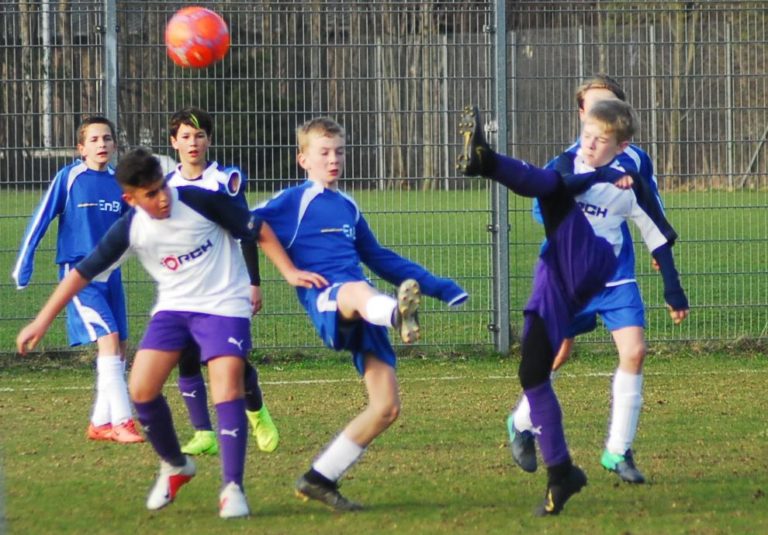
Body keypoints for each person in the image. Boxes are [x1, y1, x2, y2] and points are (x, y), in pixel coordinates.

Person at [16, 148, 327, 518]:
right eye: (150, 194)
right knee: (141, 389)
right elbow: (81, 273)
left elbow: (257, 230)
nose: (162, 197)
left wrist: (290, 273)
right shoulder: (131, 228)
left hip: (224, 303)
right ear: (129, 199)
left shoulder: (200, 200)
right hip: (174, 309)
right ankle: (176, 465)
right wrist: (42, 320)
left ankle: (232, 488)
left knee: (226, 386)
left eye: (162, 187)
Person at [253, 117, 468, 512]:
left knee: (386, 408)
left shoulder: (348, 206)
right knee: (355, 289)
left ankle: (319, 478)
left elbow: (380, 257)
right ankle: (397, 315)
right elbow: (249, 224)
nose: (333, 159)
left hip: (365, 307)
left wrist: (439, 286)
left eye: (339, 152)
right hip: (328, 301)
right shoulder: (294, 201)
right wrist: (279, 274)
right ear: (303, 159)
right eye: (323, 152)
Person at [508, 76, 690, 485]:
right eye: (593, 112)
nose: (600, 122)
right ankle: (522, 422)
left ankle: (618, 450)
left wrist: (667, 271)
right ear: (582, 116)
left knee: (635, 350)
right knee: (554, 355)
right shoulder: (565, 164)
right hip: (567, 278)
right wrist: (594, 182)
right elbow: (548, 209)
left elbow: (650, 216)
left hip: (614, 275)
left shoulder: (634, 165)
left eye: (609, 110)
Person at [457, 104, 634, 515]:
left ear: (620, 145)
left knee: (554, 187)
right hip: (555, 273)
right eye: (587, 132)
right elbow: (566, 182)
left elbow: (644, 204)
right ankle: (562, 473)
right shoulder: (571, 163)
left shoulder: (628, 170)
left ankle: (486, 161)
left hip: (591, 258)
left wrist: (672, 278)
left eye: (601, 138)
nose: (590, 141)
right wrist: (597, 174)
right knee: (532, 371)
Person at [12, 116, 143, 444]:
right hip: (78, 276)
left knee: (120, 346)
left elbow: (136, 228)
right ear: (80, 148)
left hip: (111, 274)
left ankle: (100, 422)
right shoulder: (69, 178)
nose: (102, 144)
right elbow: (41, 218)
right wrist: (24, 263)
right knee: (109, 339)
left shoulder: (120, 182)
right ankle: (124, 421)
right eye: (95, 139)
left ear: (114, 145)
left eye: (107, 139)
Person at [165, 107, 279, 457]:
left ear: (209, 140)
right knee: (185, 356)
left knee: (231, 360)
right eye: (185, 136)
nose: (193, 142)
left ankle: (257, 413)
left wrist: (254, 283)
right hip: (186, 288)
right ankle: (203, 432)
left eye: (199, 135)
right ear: (174, 142)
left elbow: (247, 232)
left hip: (225, 287)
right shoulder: (167, 186)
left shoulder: (224, 181)